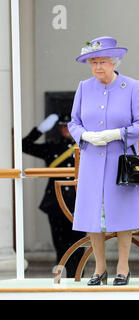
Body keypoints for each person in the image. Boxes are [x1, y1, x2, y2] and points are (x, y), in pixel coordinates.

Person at [68, 36, 139, 286]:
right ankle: (99, 267)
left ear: (113, 62)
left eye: (102, 62)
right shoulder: (84, 87)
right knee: (94, 215)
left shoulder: (132, 86)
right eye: (93, 62)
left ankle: (123, 267)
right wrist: (85, 136)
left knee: (123, 215)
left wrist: (117, 134)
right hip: (92, 161)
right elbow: (73, 122)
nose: (97, 68)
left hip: (121, 161)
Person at [22, 113, 85, 278]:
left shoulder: (85, 146)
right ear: (59, 128)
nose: (66, 130)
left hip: (80, 203)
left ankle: (78, 278)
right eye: (63, 126)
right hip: (56, 203)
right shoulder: (53, 147)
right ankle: (62, 278)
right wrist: (40, 130)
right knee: (61, 244)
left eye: (69, 126)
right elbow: (24, 145)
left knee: (79, 244)